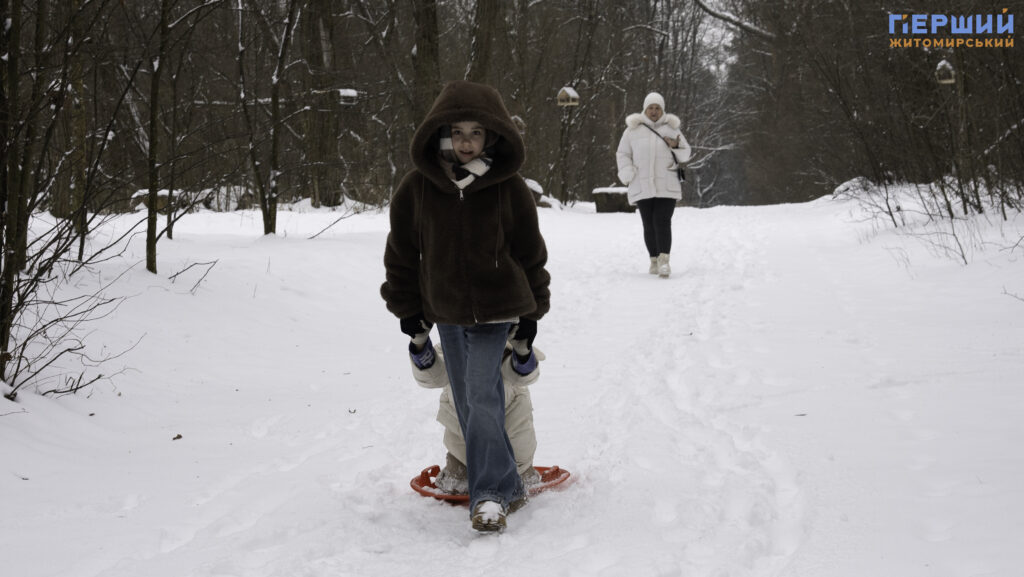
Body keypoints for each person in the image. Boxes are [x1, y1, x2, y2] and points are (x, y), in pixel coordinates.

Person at [381, 80, 551, 533]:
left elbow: (530, 252)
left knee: (479, 393)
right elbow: (401, 253)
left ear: (492, 136)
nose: (466, 143)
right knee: (470, 399)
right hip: (447, 311)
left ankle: (490, 495)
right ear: (441, 134)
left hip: (500, 308)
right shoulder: (418, 188)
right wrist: (407, 310)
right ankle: (510, 485)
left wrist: (532, 315)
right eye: (457, 133)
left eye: (476, 133)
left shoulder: (508, 188)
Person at [615, 92, 692, 278]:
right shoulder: (632, 130)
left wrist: (675, 145)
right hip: (641, 183)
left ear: (662, 109)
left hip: (667, 183)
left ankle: (665, 261)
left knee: (662, 221)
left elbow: (686, 154)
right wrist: (627, 171)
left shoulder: (672, 128)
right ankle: (654, 260)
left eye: (658, 108)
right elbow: (622, 153)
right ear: (645, 109)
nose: (654, 111)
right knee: (648, 224)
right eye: (651, 107)